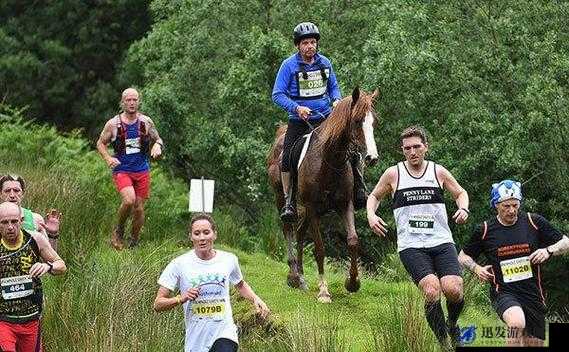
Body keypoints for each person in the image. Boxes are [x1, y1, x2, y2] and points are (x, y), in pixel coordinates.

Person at [366, 125, 469, 347]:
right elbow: (374, 196)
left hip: (441, 241)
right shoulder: (394, 173)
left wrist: (463, 208)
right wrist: (371, 215)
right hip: (411, 245)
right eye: (407, 148)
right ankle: (444, 342)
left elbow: (460, 193)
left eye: (416, 147)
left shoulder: (437, 171)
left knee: (453, 288)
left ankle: (452, 324)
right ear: (402, 150)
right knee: (432, 290)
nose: (412, 152)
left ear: (426, 148)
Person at [272, 22, 366, 222]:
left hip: (326, 118)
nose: (310, 46)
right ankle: (289, 202)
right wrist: (296, 108)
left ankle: (359, 189)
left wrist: (336, 101)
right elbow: (277, 94)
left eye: (313, 42)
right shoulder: (288, 66)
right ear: (298, 45)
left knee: (352, 149)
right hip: (299, 120)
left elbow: (334, 88)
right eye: (305, 43)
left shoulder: (325, 63)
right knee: (287, 156)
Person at [458, 180, 569, 347]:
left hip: (533, 293)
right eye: (506, 206)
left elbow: (565, 242)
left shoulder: (533, 222)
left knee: (534, 343)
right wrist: (476, 268)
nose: (512, 210)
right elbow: (463, 256)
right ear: (496, 205)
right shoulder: (485, 229)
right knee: (516, 323)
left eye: (515, 205)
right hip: (503, 292)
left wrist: (548, 251)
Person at [154, 213, 270, 352]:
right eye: (197, 233)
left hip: (224, 332)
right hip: (196, 339)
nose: (202, 238)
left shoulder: (229, 259)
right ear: (190, 236)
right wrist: (181, 298)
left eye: (206, 232)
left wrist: (255, 298)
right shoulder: (178, 264)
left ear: (214, 234)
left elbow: (240, 284)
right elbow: (158, 304)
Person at [96, 88, 164, 250]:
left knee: (139, 209)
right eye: (128, 100)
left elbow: (158, 138)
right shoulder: (113, 124)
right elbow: (100, 143)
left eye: (135, 100)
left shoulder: (146, 122)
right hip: (122, 169)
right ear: (122, 102)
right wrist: (108, 158)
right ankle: (118, 232)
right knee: (128, 200)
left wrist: (157, 146)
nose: (132, 103)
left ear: (139, 102)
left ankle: (134, 241)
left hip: (141, 170)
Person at [0, 201, 66, 352]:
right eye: (4, 222)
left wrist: (47, 266)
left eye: (14, 221)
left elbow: (61, 265)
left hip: (31, 319)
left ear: (21, 221)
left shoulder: (35, 240)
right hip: (3, 320)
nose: (10, 227)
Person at [0, 174, 61, 251]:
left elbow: (50, 258)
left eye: (16, 190)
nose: (12, 195)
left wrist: (52, 235)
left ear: (22, 193)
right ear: (1, 194)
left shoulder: (35, 219)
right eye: (7, 191)